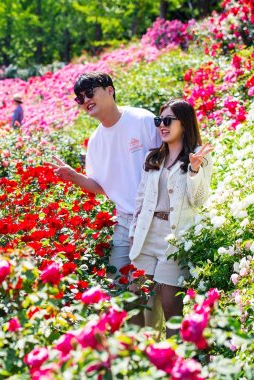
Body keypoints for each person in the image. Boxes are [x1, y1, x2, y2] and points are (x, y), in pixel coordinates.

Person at [47, 72, 162, 275]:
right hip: (125, 219)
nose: (86, 101)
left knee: (151, 289)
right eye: (80, 98)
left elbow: (168, 161)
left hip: (156, 215)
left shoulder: (142, 119)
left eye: (90, 93)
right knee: (118, 284)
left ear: (110, 90)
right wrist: (75, 177)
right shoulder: (95, 141)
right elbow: (102, 186)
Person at [129, 99, 213, 336]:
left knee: (169, 303)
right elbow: (141, 198)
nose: (162, 126)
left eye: (168, 120)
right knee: (135, 295)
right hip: (147, 234)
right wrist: (134, 231)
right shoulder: (153, 157)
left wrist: (194, 170)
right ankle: (140, 351)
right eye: (159, 120)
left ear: (184, 124)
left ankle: (177, 357)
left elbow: (198, 200)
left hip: (174, 239)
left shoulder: (198, 157)